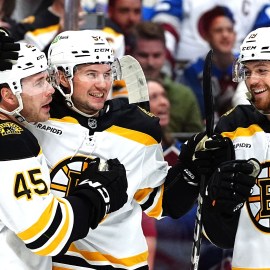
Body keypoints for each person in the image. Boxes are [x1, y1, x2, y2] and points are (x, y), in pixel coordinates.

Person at [27, 29, 234, 269]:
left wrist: (190, 169)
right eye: (91, 74)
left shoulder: (138, 128)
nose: (102, 84)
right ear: (62, 77)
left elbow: (164, 204)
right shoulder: (32, 123)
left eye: (107, 73)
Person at [0, 30, 128, 269]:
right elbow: (46, 233)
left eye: (48, 79)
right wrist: (98, 195)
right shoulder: (11, 141)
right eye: (38, 82)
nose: (50, 90)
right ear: (8, 95)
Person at [201, 26, 270, 269]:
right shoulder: (233, 125)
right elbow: (218, 236)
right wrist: (218, 203)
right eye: (248, 71)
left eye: (262, 70)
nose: (253, 81)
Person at [129, 21, 204, 133]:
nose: (151, 63)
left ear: (165, 54)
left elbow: (196, 141)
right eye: (143, 55)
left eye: (157, 55)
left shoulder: (184, 95)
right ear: (130, 55)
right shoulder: (118, 94)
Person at [181, 5, 238, 120]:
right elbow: (198, 113)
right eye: (218, 30)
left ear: (235, 35)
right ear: (206, 36)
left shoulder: (247, 64)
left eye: (229, 30)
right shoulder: (194, 71)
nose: (225, 35)